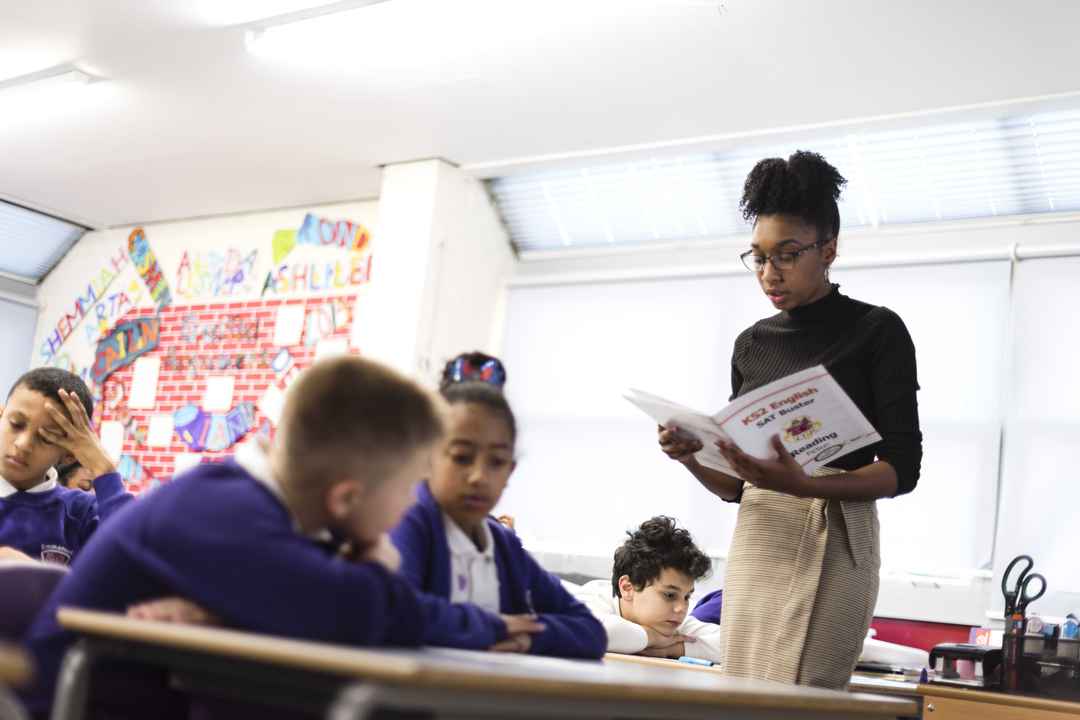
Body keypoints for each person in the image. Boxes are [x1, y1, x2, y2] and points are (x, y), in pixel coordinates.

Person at [21, 355, 445, 716]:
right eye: (410, 486)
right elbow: (367, 615)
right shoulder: (228, 513)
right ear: (347, 497)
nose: (412, 502)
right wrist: (378, 566)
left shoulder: (271, 516)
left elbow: (372, 612)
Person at [657, 151, 922, 689]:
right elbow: (738, 485)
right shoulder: (751, 344)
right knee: (742, 691)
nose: (769, 273)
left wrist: (805, 484)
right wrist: (692, 459)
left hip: (834, 531)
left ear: (828, 250)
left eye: (787, 255)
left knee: (803, 695)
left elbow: (903, 467)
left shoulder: (877, 331)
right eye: (757, 257)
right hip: (760, 536)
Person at [391, 380, 606, 659]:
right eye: (462, 457)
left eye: (496, 462)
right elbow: (397, 611)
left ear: (510, 472)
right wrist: (495, 626)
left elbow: (590, 631)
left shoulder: (504, 546)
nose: (479, 476)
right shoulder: (406, 521)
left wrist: (528, 638)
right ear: (425, 458)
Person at [0, 368, 131, 565]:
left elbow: (135, 554)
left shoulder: (80, 513)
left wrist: (104, 468)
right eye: (16, 424)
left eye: (46, 438)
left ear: (69, 455)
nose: (23, 444)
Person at [569, 516, 723, 663]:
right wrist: (653, 638)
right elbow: (587, 631)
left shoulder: (672, 623)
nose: (681, 608)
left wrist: (673, 649)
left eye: (687, 597)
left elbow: (731, 645)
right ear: (627, 588)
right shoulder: (593, 596)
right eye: (670, 595)